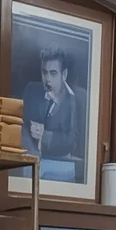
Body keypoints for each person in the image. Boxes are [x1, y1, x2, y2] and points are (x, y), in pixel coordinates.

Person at [21, 46, 83, 180]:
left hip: (59, 169)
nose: (47, 79)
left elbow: (74, 141)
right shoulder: (31, 91)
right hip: (28, 165)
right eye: (44, 72)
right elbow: (20, 125)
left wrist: (45, 136)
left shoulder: (75, 102)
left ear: (64, 75)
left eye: (53, 73)